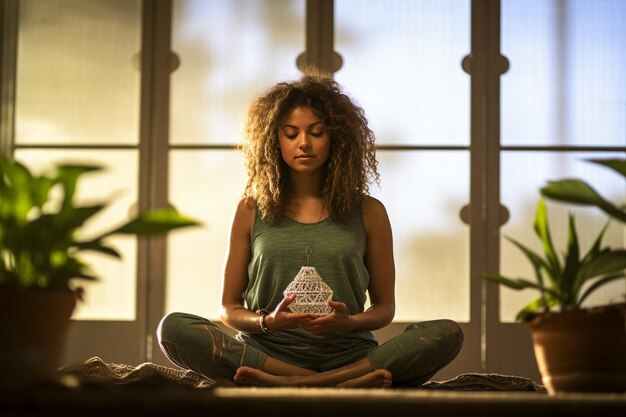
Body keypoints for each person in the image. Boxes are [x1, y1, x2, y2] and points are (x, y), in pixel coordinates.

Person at [157, 70, 463, 387]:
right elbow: (229, 308)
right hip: (267, 355)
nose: (304, 143)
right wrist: (267, 322)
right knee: (173, 328)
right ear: (273, 140)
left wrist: (348, 323)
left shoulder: (370, 211)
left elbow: (385, 308)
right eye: (291, 134)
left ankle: (297, 383)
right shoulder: (250, 209)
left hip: (349, 354)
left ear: (337, 138)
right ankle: (337, 384)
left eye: (316, 132)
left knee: (448, 332)